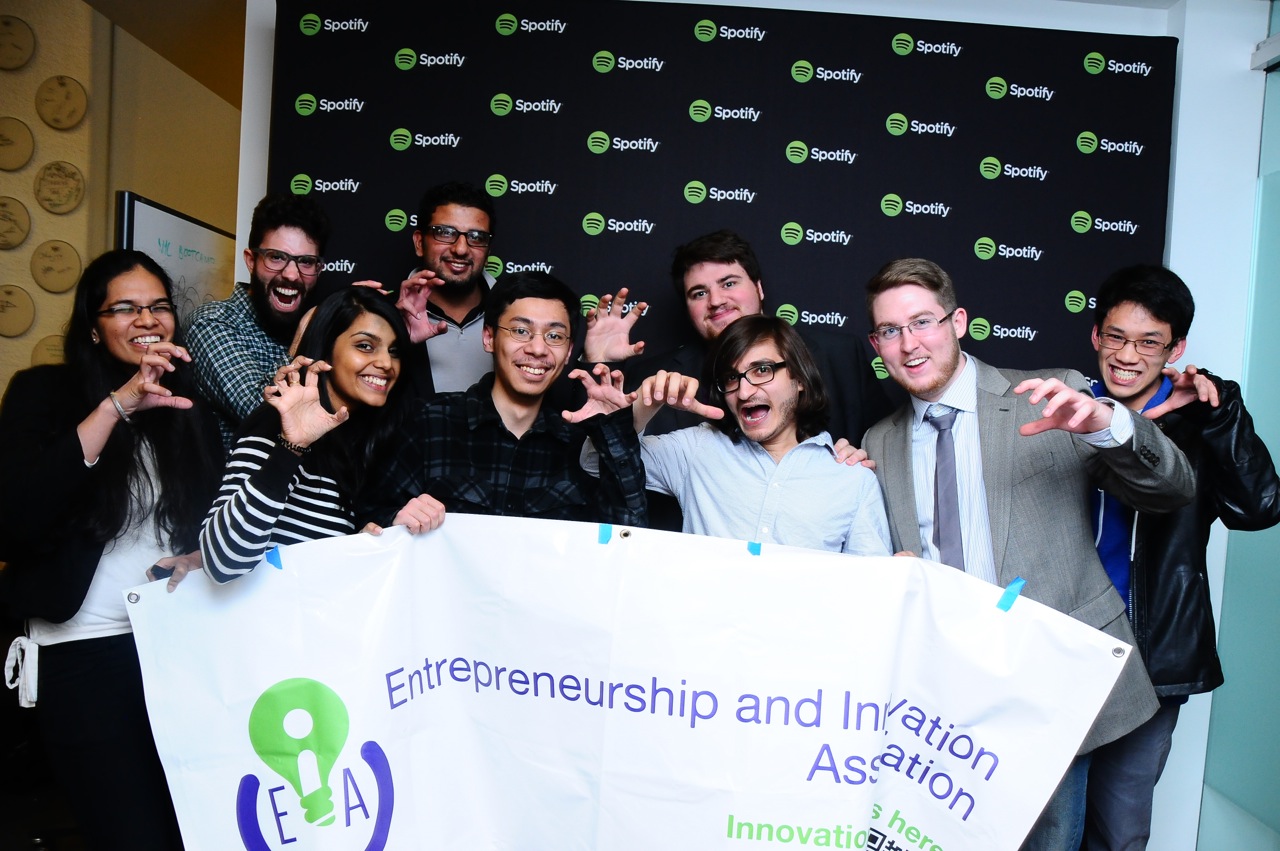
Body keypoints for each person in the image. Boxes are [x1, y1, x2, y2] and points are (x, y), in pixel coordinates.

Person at [858, 258, 1194, 850]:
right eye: (890, 330)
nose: (909, 344)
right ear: (876, 344)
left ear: (958, 322)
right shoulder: (878, 442)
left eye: (923, 322)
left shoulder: (1047, 394)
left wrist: (1108, 426)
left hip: (1049, 682)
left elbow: (1171, 489)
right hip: (945, 692)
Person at [0, 249, 223, 849]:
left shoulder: (188, 408)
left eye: (159, 306)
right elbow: (16, 518)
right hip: (82, 653)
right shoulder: (43, 393)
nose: (146, 319)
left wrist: (199, 556)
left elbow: (210, 522)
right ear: (94, 327)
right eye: (124, 308)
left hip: (176, 648)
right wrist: (116, 406)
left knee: (193, 831)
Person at [1082, 265, 1280, 850]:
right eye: (1116, 337)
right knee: (1040, 821)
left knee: (1119, 829)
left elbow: (1259, 508)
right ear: (1096, 335)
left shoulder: (1203, 417)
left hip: (1152, 654)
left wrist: (1221, 418)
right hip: (1062, 643)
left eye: (1149, 343)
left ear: (1176, 349)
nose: (1127, 356)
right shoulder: (1068, 404)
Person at [583, 229, 895, 529]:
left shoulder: (838, 353)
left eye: (729, 283)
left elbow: (887, 443)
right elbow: (596, 458)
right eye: (699, 293)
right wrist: (601, 362)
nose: (716, 300)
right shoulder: (654, 380)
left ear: (759, 288)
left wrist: (858, 459)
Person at [359, 271, 647, 528]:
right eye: (521, 331)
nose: (538, 349)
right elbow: (370, 521)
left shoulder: (579, 445)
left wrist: (614, 430)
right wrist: (396, 520)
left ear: (569, 351)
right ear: (489, 337)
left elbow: (627, 535)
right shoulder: (428, 422)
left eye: (554, 336)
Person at [583, 315, 890, 555]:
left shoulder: (852, 479)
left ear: (799, 379)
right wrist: (645, 405)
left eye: (762, 370)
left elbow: (871, 586)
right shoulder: (697, 449)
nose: (743, 391)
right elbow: (595, 463)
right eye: (732, 377)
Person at [201, 288, 444, 582]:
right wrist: (291, 447)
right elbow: (222, 563)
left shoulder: (365, 440)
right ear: (327, 348)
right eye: (365, 346)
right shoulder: (277, 423)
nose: (386, 363)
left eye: (394, 351)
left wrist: (367, 540)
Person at [187, 193, 332, 447]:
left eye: (306, 262)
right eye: (276, 257)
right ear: (251, 261)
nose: (291, 275)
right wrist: (307, 329)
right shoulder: (211, 323)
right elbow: (264, 416)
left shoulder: (325, 329)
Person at [392, 180, 499, 395]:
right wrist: (393, 332)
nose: (461, 249)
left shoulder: (512, 313)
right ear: (419, 243)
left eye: (476, 237)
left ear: (488, 251)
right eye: (445, 233)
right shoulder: (388, 315)